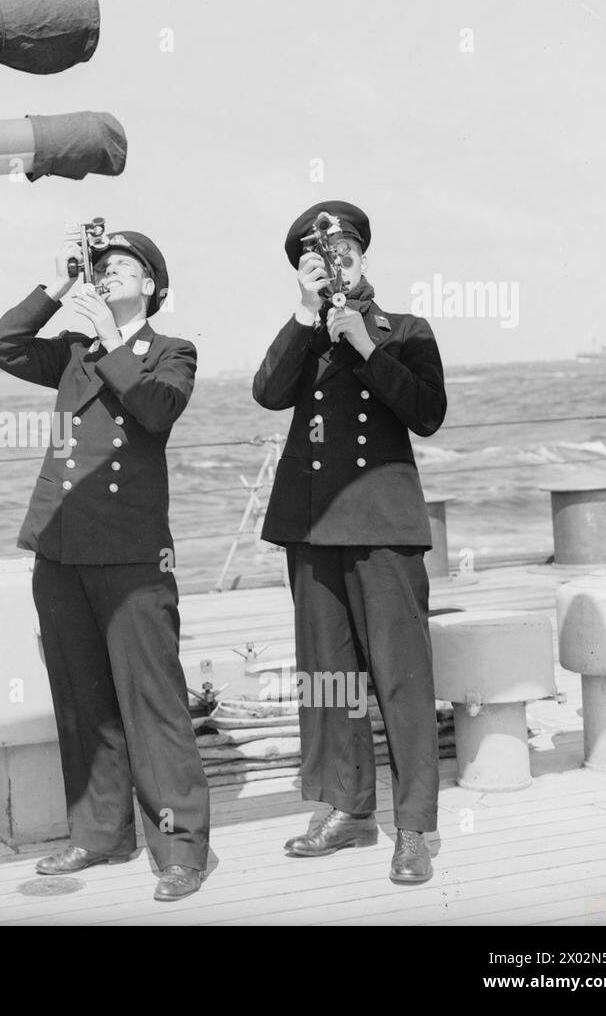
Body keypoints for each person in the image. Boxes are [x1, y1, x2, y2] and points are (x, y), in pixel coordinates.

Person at [0, 227, 210, 901]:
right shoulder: (73, 351)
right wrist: (56, 285)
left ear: (152, 284)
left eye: (121, 266)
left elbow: (156, 408)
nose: (106, 274)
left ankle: (180, 850)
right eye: (99, 266)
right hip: (60, 547)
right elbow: (2, 345)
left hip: (131, 552)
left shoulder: (171, 351)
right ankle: (101, 832)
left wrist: (111, 339)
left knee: (153, 702)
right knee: (81, 699)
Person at [252, 200, 447, 884]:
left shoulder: (406, 330)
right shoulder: (303, 336)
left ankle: (415, 825)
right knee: (329, 678)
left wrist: (366, 348)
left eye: (342, 254)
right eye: (317, 258)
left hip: (385, 526)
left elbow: (427, 412)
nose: (333, 266)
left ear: (362, 256)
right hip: (313, 527)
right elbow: (267, 392)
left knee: (402, 679)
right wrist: (307, 317)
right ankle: (348, 808)